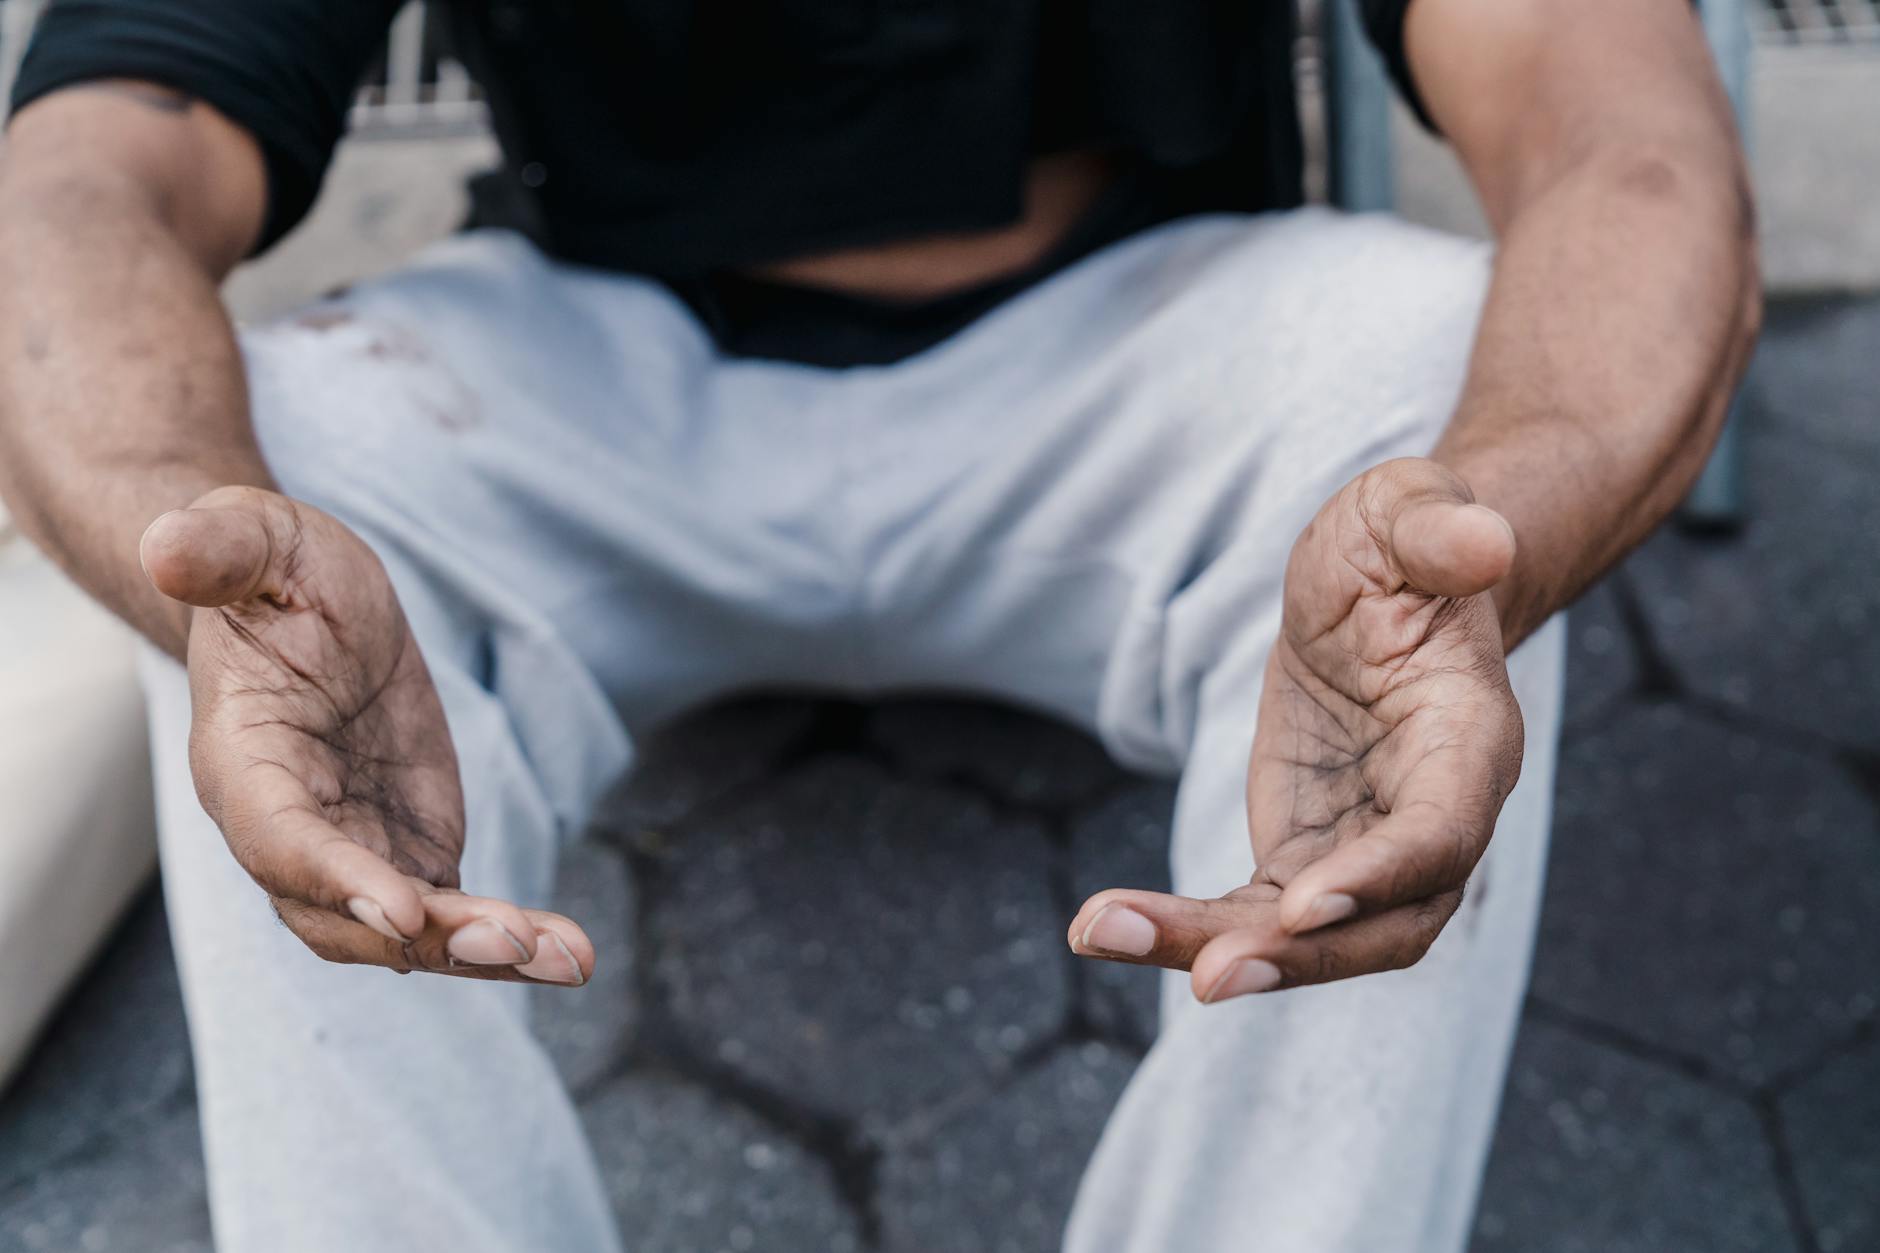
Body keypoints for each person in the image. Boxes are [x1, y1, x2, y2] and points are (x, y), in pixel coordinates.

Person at [0, 0, 1757, 1249]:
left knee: (1443, 503)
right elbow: (89, 169)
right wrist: (183, 514)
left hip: (1138, 350)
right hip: (600, 376)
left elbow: (1620, 125)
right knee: (250, 543)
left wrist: (1507, 518)